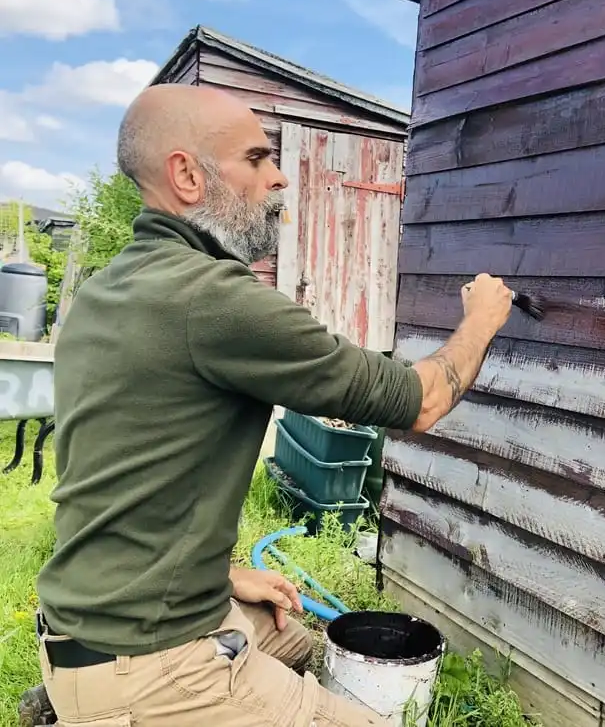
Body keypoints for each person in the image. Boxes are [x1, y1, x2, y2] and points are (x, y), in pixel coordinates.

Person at [24, 83, 513, 727]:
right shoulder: (213, 298)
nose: (279, 176)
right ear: (187, 175)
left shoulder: (109, 291)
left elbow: (121, 481)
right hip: (150, 664)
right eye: (257, 159)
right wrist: (482, 319)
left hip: (81, 629)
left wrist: (223, 576)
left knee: (292, 638)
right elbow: (419, 401)